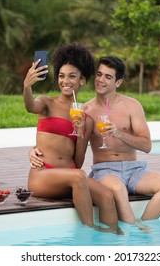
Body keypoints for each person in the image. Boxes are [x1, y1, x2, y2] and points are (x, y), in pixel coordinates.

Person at [31, 55, 160, 231]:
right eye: (99, 74)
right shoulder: (83, 111)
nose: (101, 80)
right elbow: (63, 142)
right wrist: (34, 150)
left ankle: (143, 226)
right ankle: (132, 230)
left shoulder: (132, 106)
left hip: (134, 169)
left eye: (108, 77)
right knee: (117, 188)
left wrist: (119, 133)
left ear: (118, 82)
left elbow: (146, 146)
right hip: (105, 171)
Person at [23, 43, 121, 234]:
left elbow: (77, 162)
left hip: (71, 175)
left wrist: (82, 133)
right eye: (61, 76)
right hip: (43, 175)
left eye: (71, 76)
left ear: (82, 80)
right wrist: (27, 86)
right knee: (78, 177)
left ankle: (113, 241)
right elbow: (29, 106)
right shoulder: (46, 103)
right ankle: (89, 234)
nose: (65, 81)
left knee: (107, 196)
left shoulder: (85, 118)